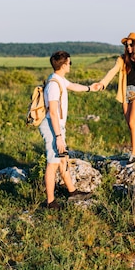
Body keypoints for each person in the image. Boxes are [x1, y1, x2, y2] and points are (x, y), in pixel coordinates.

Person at [39, 50, 101, 210]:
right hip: (52, 127)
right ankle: (50, 202)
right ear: (64, 64)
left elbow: (72, 86)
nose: (70, 66)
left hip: (57, 127)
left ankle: (72, 192)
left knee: (63, 159)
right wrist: (58, 136)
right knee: (52, 164)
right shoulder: (53, 85)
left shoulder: (59, 80)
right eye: (70, 63)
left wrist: (90, 88)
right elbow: (52, 112)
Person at [98, 32, 135, 166]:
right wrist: (103, 83)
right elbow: (113, 71)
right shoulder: (122, 59)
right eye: (126, 44)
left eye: (130, 44)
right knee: (132, 125)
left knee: (132, 123)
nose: (128, 47)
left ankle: (134, 154)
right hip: (126, 93)